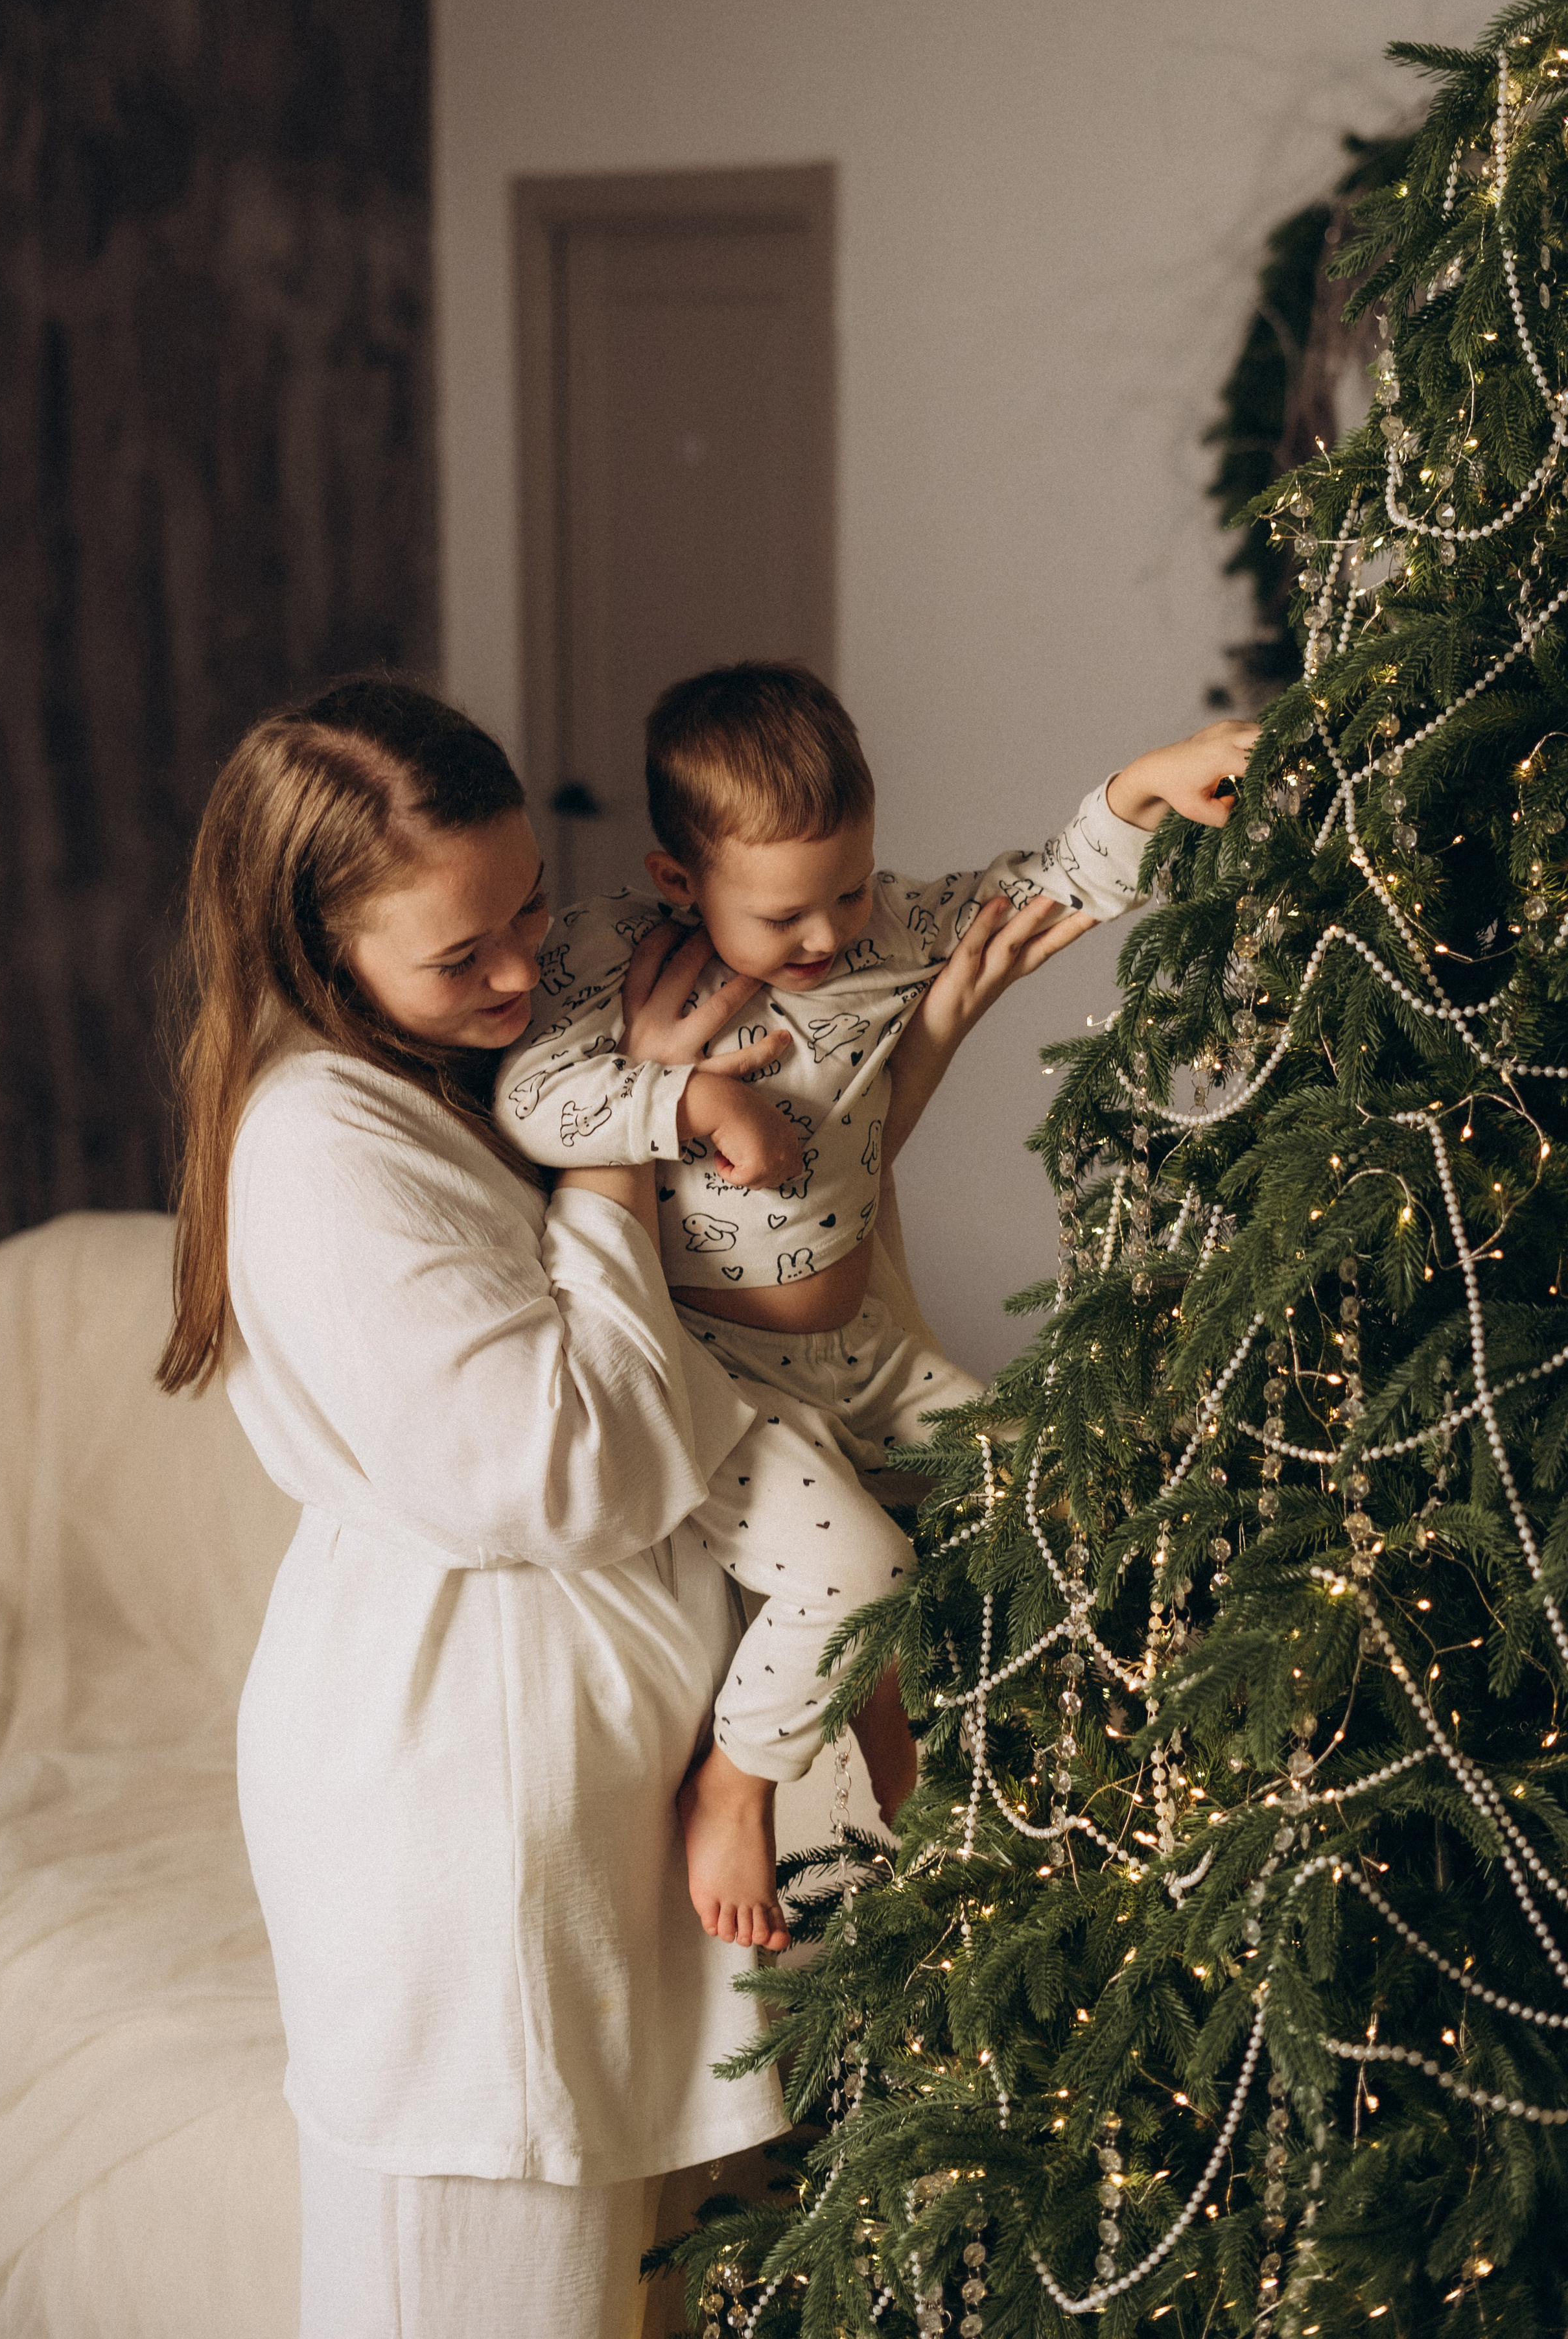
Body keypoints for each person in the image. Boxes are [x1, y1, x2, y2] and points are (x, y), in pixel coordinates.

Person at [154, 672, 1074, 2339]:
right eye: (463, 952)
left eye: (523, 912)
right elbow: (570, 1465)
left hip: (592, 1816)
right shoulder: (319, 1145)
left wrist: (904, 1027)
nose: (518, 972)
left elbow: (753, 1243)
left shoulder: (441, 1057)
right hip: (472, 1817)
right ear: (315, 942)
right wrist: (619, 1144)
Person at [493, 664, 1256, 1951]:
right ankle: (734, 1782)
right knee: (855, 1572)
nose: (825, 934)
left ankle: (1051, 1769)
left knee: (1055, 1470)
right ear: (677, 879)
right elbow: (532, 1099)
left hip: (864, 1347)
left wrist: (1137, 787)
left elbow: (1039, 888)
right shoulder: (615, 955)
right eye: (785, 912)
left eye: (847, 887)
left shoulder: (887, 930)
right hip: (719, 1375)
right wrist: (684, 1100)